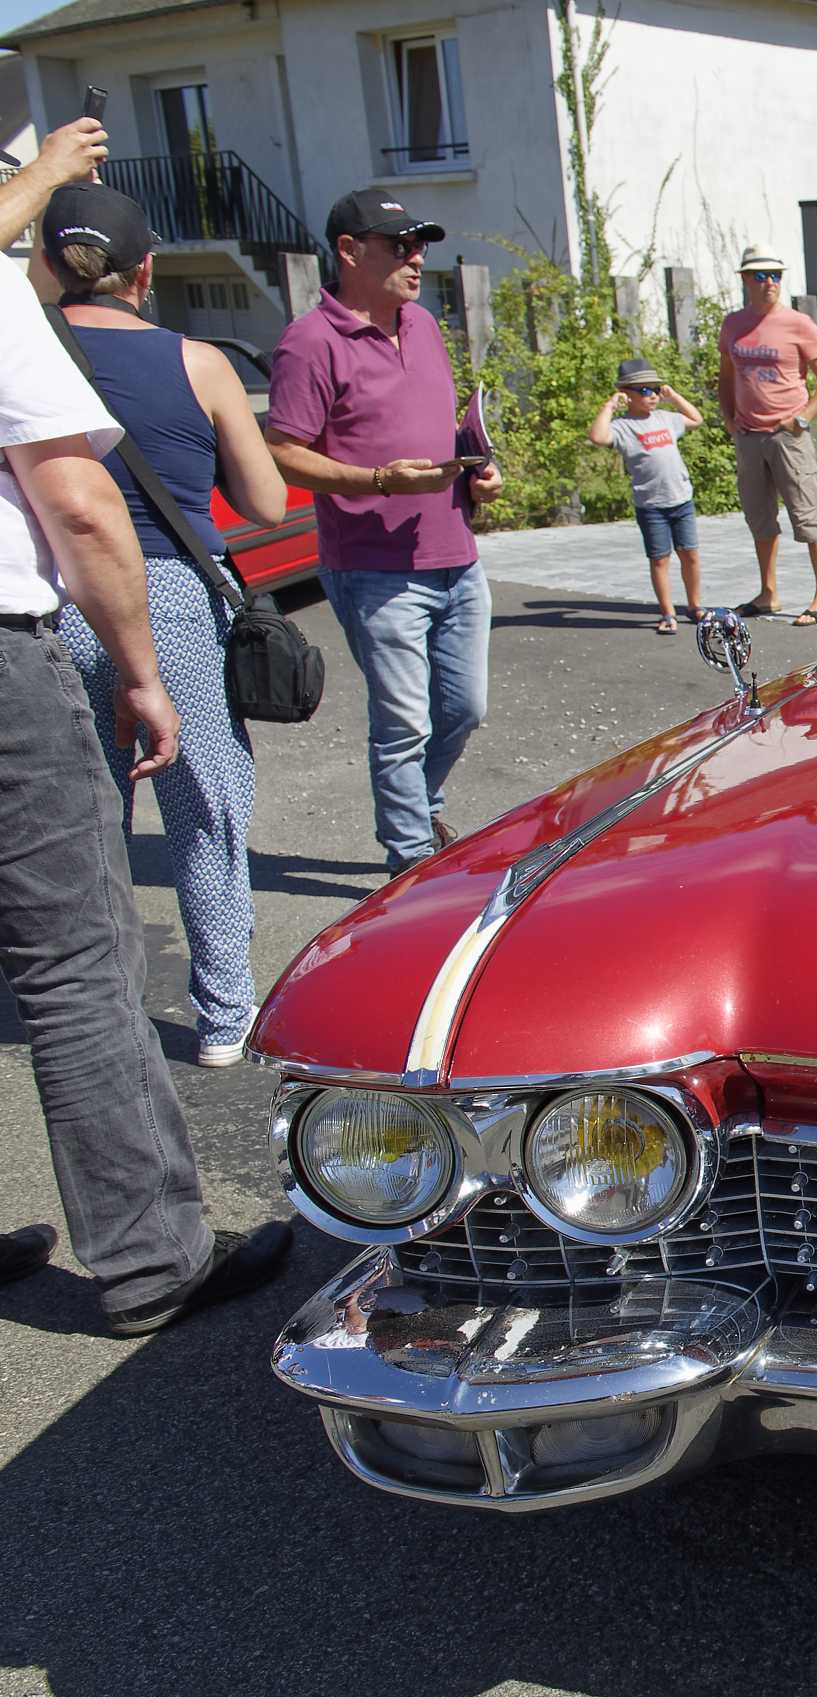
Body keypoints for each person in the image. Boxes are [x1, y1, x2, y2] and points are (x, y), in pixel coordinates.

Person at [0, 119, 293, 1322]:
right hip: (57, 628)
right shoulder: (168, 354)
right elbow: (76, 506)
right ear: (142, 270)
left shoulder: (42, 304)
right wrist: (141, 669)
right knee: (80, 955)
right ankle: (149, 1257)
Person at [43, 183, 288, 1068]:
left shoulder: (23, 349)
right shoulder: (198, 361)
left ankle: (87, 1011)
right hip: (173, 598)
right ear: (143, 271)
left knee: (81, 816)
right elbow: (264, 502)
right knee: (204, 807)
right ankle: (224, 1015)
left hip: (54, 598)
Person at [264, 187, 503, 874]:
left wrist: (476, 468)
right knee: (403, 724)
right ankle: (410, 863)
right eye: (399, 245)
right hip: (375, 566)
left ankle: (420, 808)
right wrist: (378, 481)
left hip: (455, 550)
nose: (417, 257)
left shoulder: (422, 324)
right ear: (349, 251)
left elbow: (443, 420)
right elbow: (282, 451)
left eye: (420, 243)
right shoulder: (309, 343)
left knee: (464, 707)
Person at [718, 245, 817, 628]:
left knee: (808, 516)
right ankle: (767, 593)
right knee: (760, 517)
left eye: (775, 275)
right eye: (760, 275)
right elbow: (726, 376)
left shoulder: (798, 324)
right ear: (744, 280)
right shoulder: (733, 325)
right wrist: (728, 417)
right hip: (749, 435)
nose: (769, 282)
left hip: (788, 435)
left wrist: (802, 420)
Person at [589, 357, 705, 634]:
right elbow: (597, 436)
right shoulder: (622, 427)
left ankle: (695, 605)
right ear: (626, 395)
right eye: (643, 390)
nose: (652, 395)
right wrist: (608, 406)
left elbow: (696, 419)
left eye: (655, 388)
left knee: (690, 555)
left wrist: (674, 396)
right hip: (651, 505)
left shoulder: (666, 418)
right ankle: (667, 612)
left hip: (681, 499)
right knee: (660, 559)